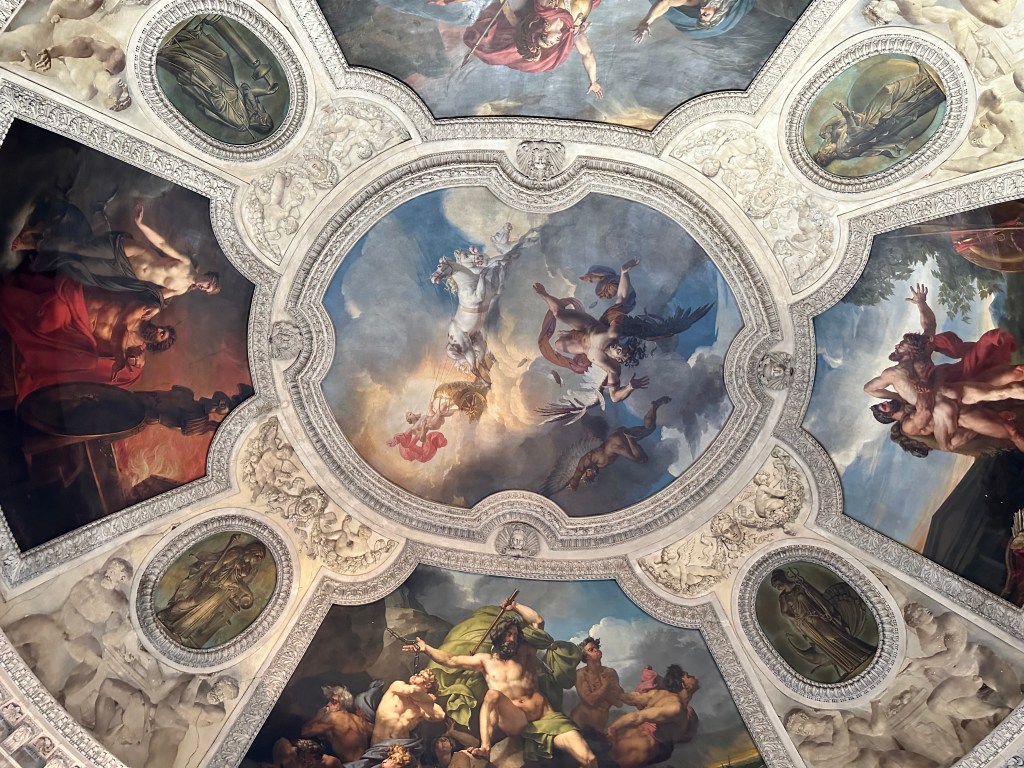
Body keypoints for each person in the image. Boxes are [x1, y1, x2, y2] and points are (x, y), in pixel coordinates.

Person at [402, 597, 596, 768]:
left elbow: (538, 621)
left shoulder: (525, 653)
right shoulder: (485, 661)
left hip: (547, 718)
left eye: (514, 635)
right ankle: (485, 748)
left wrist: (515, 606)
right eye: (508, 634)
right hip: (516, 722)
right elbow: (451, 660)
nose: (511, 639)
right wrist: (426, 648)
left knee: (589, 758)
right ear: (498, 636)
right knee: (492, 695)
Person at [0, 272, 175, 399]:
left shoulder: (134, 350)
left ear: (154, 344)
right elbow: (120, 327)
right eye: (162, 329)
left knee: (44, 324)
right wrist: (121, 356)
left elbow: (99, 360)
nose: (158, 331)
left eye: (161, 335)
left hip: (77, 327)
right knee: (47, 316)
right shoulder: (143, 310)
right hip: (78, 303)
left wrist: (128, 357)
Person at [11, 200, 220, 303]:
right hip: (132, 252)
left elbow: (156, 297)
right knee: (79, 247)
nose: (204, 287)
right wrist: (140, 225)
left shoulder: (182, 289)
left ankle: (42, 231)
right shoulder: (186, 264)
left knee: (80, 264)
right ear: (208, 276)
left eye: (206, 290)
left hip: (125, 272)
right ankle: (32, 241)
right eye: (208, 284)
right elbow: (163, 243)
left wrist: (152, 310)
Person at [157, 15, 278, 138]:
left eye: (264, 117)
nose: (262, 113)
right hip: (228, 84)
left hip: (216, 92)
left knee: (197, 68)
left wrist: (216, 94)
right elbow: (250, 93)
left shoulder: (241, 123)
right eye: (264, 114)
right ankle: (190, 36)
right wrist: (267, 92)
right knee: (221, 55)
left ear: (263, 123)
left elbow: (221, 109)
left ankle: (170, 51)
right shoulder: (253, 111)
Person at [812, 60, 945, 169]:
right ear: (830, 157)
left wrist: (826, 125)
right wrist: (847, 114)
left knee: (890, 91)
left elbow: (840, 120)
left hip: (868, 118)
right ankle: (928, 87)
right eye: (826, 155)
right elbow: (855, 133)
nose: (827, 151)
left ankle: (922, 81)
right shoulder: (843, 150)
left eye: (823, 151)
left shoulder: (835, 140)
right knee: (894, 98)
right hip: (876, 123)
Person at [462, 0, 603, 98]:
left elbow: (587, 53)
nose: (553, 42)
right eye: (550, 42)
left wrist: (593, 81)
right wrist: (593, 81)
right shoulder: (572, 30)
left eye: (546, 39)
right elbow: (587, 53)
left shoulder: (545, 8)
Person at [155, 538, 267, 648]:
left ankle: (178, 630)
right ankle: (166, 615)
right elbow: (221, 562)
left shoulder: (248, 567)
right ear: (253, 552)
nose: (258, 560)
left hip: (222, 593)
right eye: (259, 556)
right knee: (193, 601)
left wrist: (248, 593)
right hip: (215, 583)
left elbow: (239, 581)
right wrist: (213, 574)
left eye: (260, 559)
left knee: (204, 614)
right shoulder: (238, 553)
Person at [770, 570, 876, 679]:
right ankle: (850, 664)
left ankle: (860, 654)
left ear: (782, 578)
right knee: (826, 645)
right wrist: (794, 617)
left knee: (834, 636)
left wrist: (826, 610)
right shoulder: (783, 597)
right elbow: (784, 612)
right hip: (805, 624)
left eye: (776, 583)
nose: (777, 587)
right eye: (775, 586)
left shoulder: (799, 585)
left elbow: (816, 597)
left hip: (816, 616)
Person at [567, 397, 671, 489]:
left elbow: (581, 467)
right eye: (591, 477)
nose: (591, 474)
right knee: (649, 429)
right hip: (620, 435)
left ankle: (630, 438)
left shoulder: (593, 459)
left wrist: (574, 482)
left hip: (616, 443)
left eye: (588, 475)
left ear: (585, 472)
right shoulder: (599, 463)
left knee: (641, 460)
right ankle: (654, 406)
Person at [607, 665, 699, 768]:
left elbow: (633, 698)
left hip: (633, 738)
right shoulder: (675, 707)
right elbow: (636, 717)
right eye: (689, 676)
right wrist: (613, 727)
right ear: (685, 685)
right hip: (641, 745)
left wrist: (619, 695)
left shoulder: (660, 694)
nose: (694, 677)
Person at [292, 685, 372, 763]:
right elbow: (373, 732)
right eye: (329, 701)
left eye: (333, 701)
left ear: (343, 703)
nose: (328, 704)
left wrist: (317, 717)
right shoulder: (358, 719)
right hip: (366, 762)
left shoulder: (332, 717)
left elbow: (304, 732)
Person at [371, 670, 445, 745]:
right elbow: (411, 691)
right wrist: (428, 699)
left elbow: (440, 716)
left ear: (428, 685)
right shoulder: (397, 685)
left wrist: (422, 702)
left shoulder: (421, 708)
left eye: (421, 676)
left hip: (400, 747)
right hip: (378, 742)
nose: (416, 675)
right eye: (418, 673)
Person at [632, 0, 751, 42]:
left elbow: (667, 2)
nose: (702, 10)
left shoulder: (695, 1)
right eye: (706, 14)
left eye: (700, 14)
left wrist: (646, 21)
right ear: (717, 14)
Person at [570, 637, 622, 732]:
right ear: (586, 656)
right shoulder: (580, 674)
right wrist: (606, 686)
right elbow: (590, 701)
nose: (596, 650)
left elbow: (619, 703)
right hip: (580, 722)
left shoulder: (611, 672)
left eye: (596, 647)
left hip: (600, 725)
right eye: (591, 650)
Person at [273, 738, 344, 768]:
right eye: (302, 758)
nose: (305, 762)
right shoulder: (293, 758)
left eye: (309, 763)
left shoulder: (330, 762)